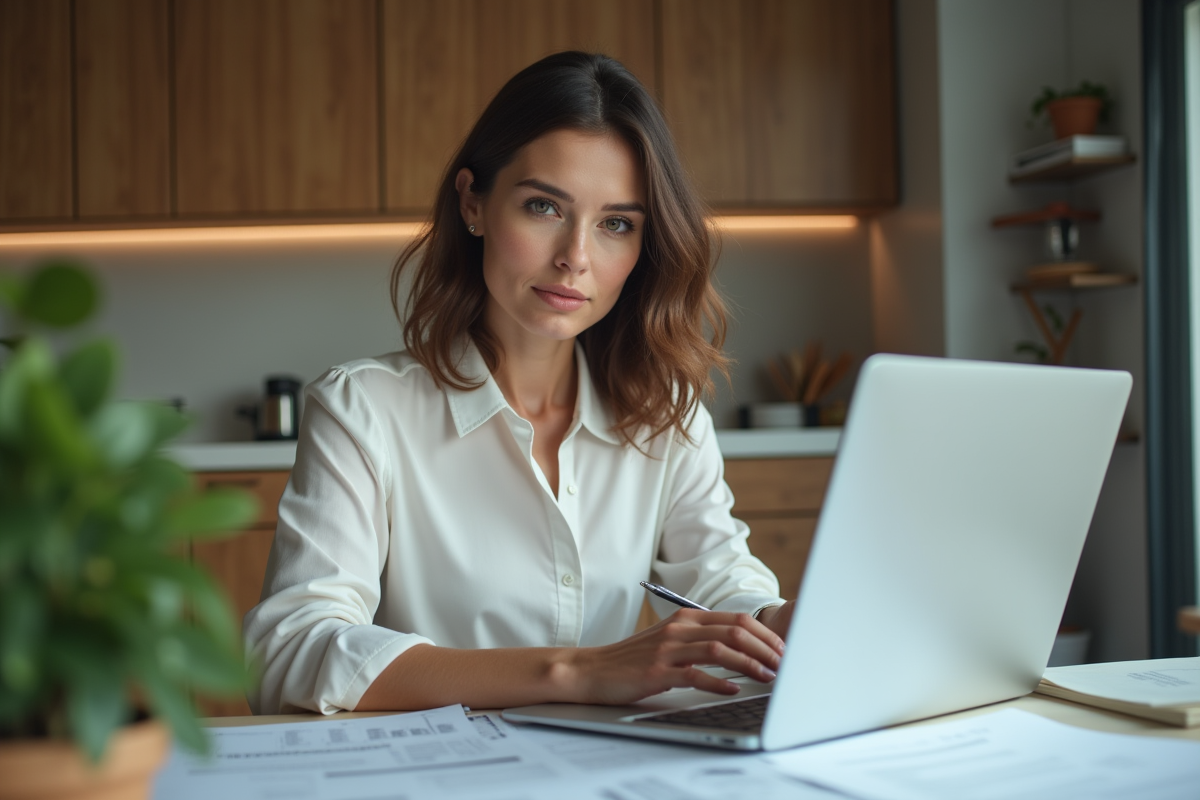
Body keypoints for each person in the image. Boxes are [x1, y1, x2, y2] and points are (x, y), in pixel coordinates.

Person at [245, 51, 796, 716]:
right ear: (474, 203)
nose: (575, 257)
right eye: (543, 207)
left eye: (616, 223)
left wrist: (778, 622)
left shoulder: (666, 417)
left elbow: (722, 584)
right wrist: (575, 671)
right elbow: (293, 649)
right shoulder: (363, 410)